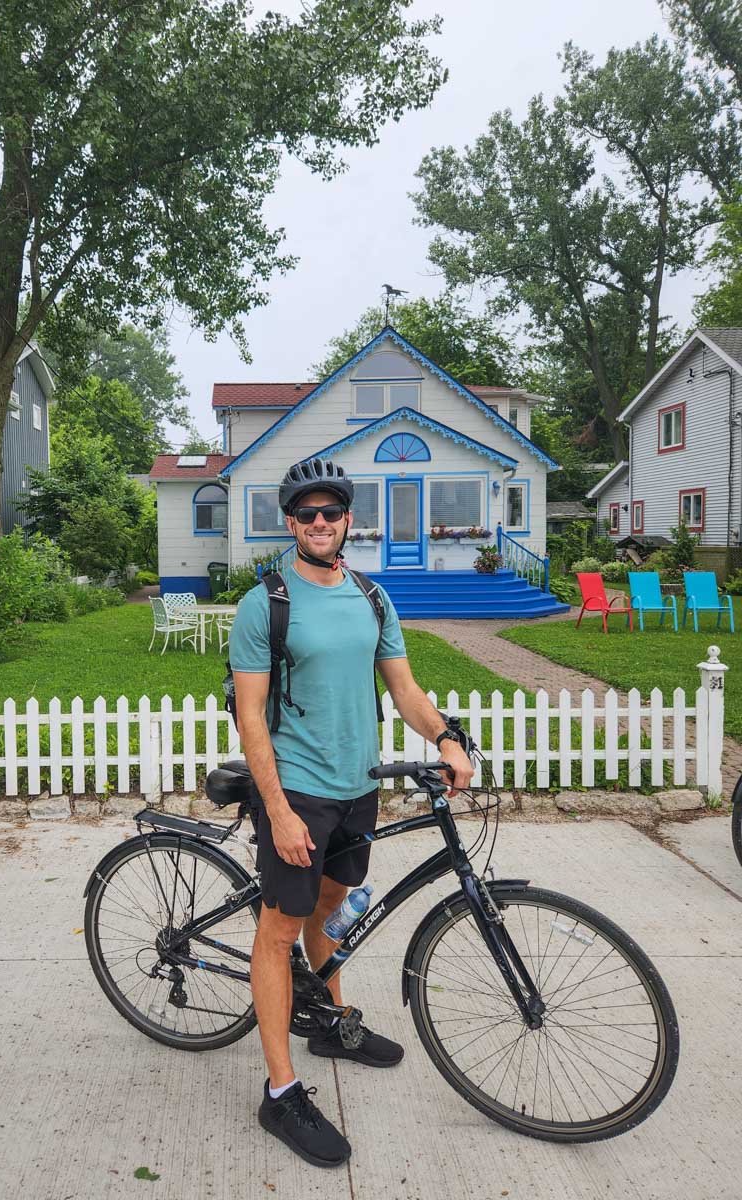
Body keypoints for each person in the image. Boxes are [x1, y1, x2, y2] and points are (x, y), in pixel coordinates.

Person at [229, 457, 476, 1168]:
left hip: (356, 786)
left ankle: (327, 1019)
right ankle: (280, 1095)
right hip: (296, 788)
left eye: (329, 512)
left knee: (335, 903)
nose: (317, 523)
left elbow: (405, 689)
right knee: (278, 932)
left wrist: (447, 737)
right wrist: (276, 809)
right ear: (290, 523)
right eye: (304, 514)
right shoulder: (266, 603)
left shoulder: (372, 597)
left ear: (345, 520)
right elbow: (250, 717)